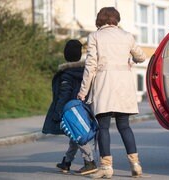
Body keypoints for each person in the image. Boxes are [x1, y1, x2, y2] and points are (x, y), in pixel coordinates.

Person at [77, 7, 147, 179]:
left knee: (104, 127)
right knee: (124, 126)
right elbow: (141, 57)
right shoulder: (127, 36)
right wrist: (130, 60)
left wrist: (83, 91)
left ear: (100, 20)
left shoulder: (95, 36)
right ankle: (135, 165)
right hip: (124, 86)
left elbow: (90, 66)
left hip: (104, 85)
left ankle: (106, 167)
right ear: (116, 19)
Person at [42, 39, 97, 175]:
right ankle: (66, 162)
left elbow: (64, 94)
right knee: (75, 135)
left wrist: (58, 112)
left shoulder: (67, 74)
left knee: (78, 134)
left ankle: (90, 162)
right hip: (85, 108)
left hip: (70, 110)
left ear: (66, 54)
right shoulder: (85, 71)